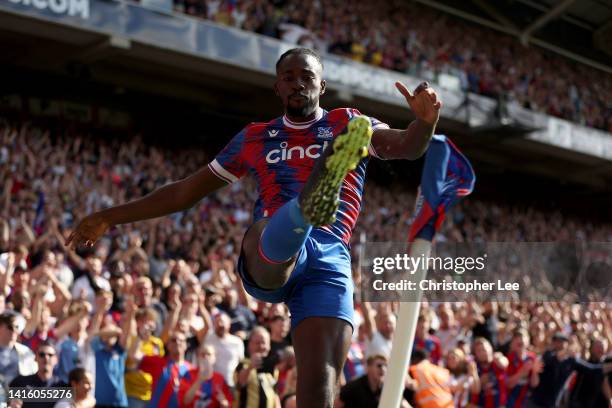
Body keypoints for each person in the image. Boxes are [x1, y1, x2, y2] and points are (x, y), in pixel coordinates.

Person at [66, 47, 441, 406]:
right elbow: (185, 192)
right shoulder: (255, 137)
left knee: (320, 393)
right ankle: (304, 210)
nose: (297, 83)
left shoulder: (348, 122)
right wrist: (108, 216)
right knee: (273, 231)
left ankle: (307, 209)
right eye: (288, 77)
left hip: (329, 259)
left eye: (307, 76)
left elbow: (407, 146)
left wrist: (424, 124)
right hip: (269, 248)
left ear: (322, 86)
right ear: (277, 87)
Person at [9, 340, 63, 408]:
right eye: (42, 354)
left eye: (50, 355)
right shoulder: (20, 383)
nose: (46, 358)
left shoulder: (62, 386)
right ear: (35, 358)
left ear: (56, 359)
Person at [178, 344, 232, 408]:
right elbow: (185, 402)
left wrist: (224, 404)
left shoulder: (220, 378)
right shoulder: (188, 374)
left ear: (214, 358)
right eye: (203, 354)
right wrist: (199, 380)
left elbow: (228, 404)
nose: (206, 357)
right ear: (198, 357)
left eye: (209, 354)